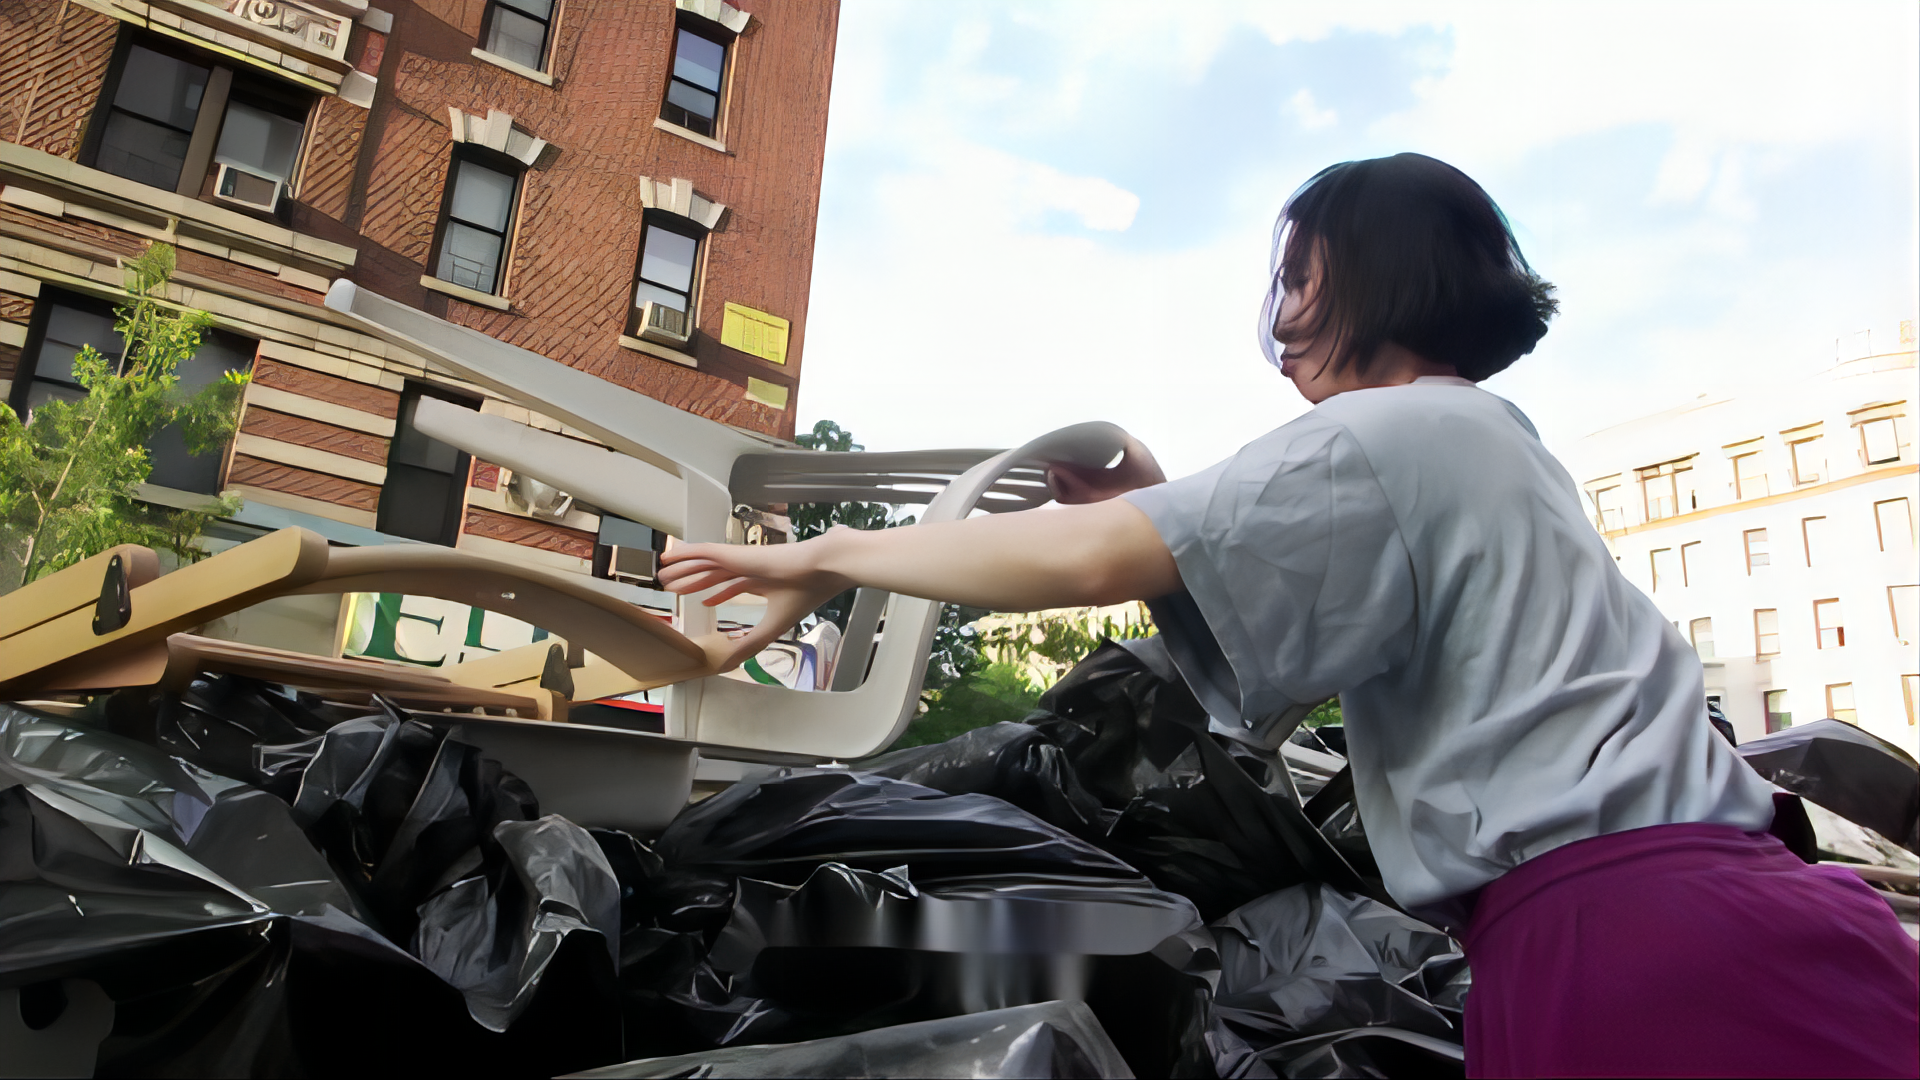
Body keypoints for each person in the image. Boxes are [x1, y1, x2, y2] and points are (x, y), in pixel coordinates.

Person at [659, 153, 1919, 1078]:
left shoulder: (1394, 430)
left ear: (1373, 273)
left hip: (1641, 955)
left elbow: (1084, 559)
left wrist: (829, 555)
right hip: (1695, 923)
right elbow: (1259, 573)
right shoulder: (1485, 441)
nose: (1286, 316)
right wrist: (1163, 513)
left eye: (1301, 275)